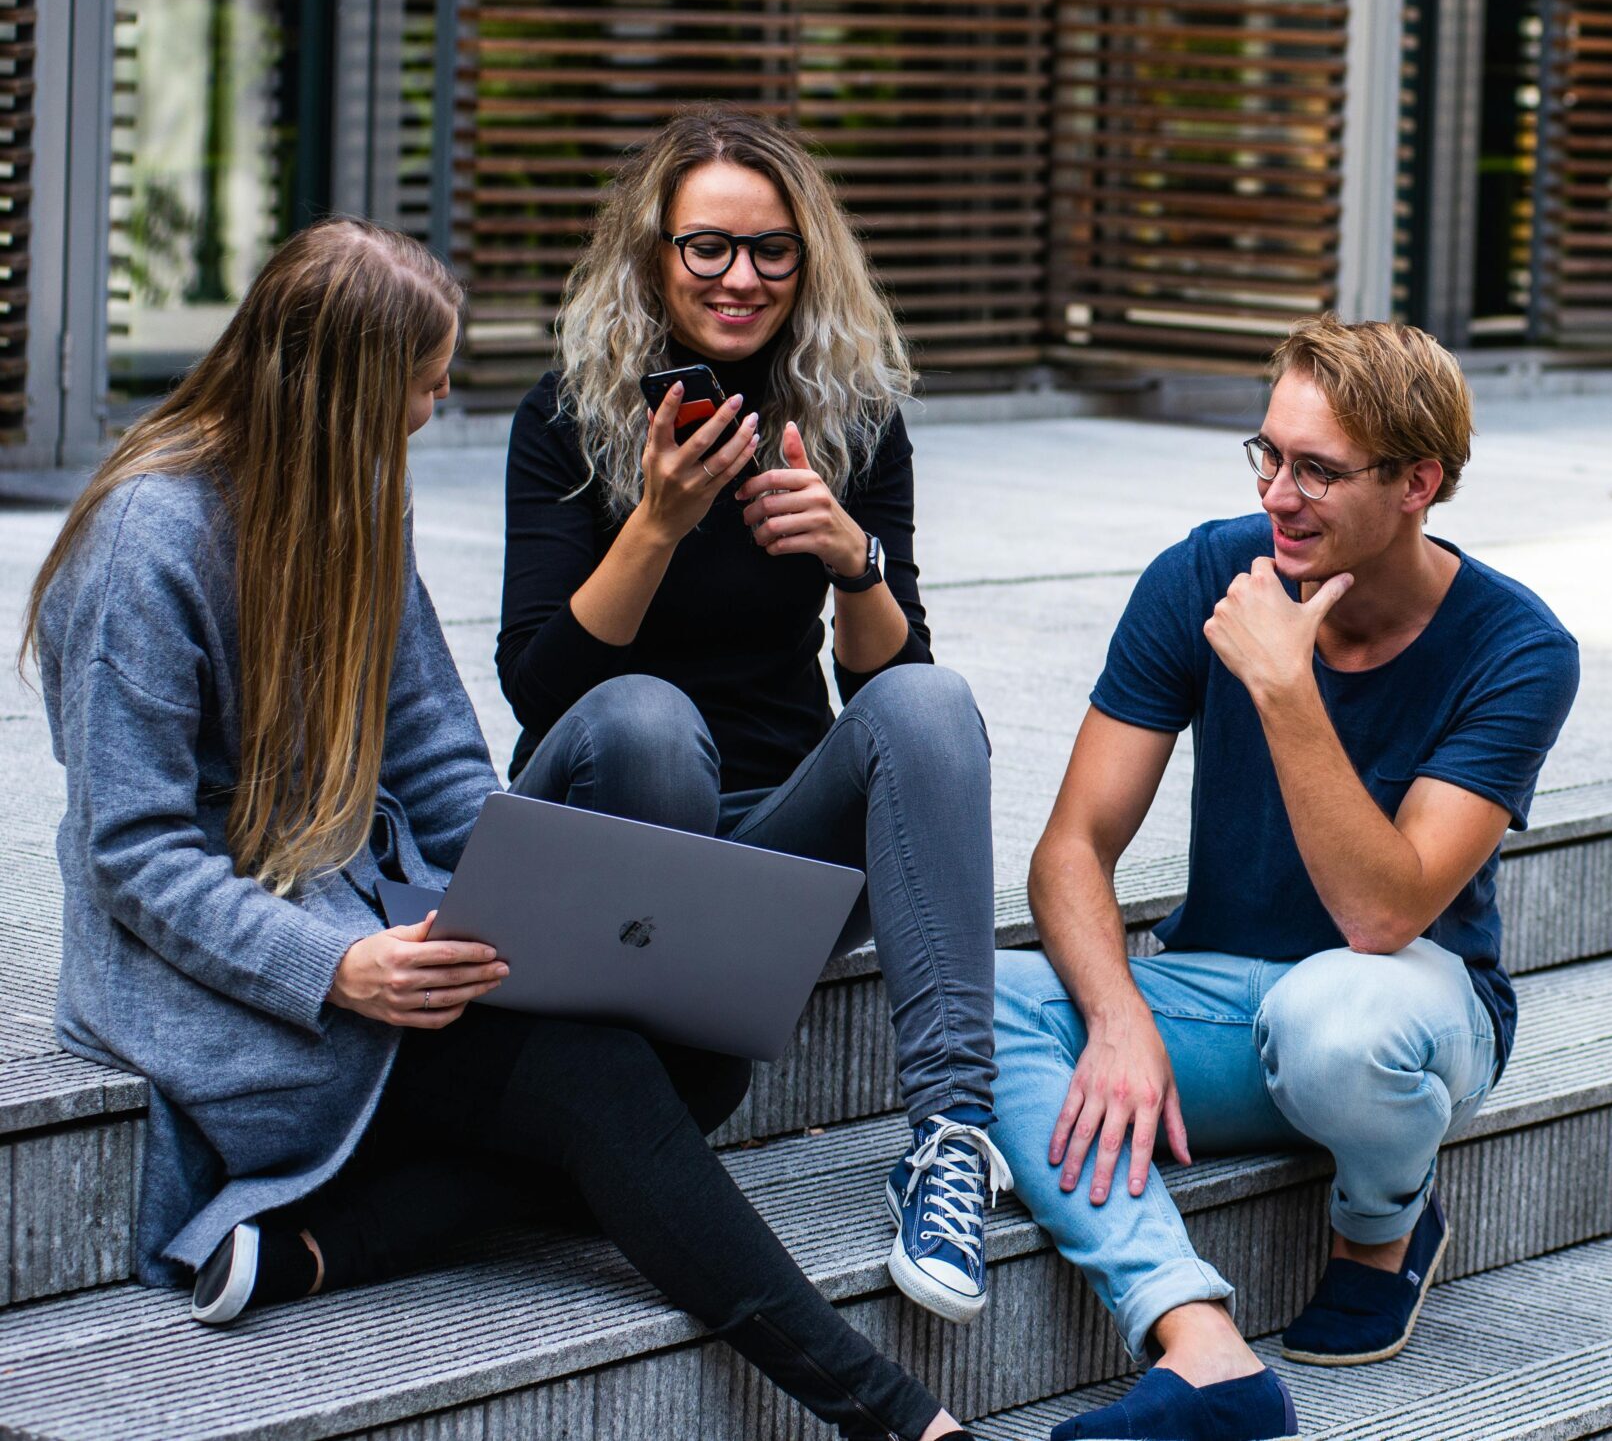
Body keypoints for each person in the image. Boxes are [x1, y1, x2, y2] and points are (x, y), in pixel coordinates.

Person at [25, 218, 978, 1441]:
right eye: (420, 388)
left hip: (379, 927)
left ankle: (325, 1242)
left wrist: (512, 902)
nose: (429, 414)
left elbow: (434, 755)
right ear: (342, 386)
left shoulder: (352, 495)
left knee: (700, 1066)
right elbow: (135, 850)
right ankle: (892, 1412)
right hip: (233, 982)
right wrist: (337, 966)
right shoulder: (143, 542)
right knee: (599, 1080)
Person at [990, 317, 1578, 1441]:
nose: (1278, 493)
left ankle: (1382, 1220)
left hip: (1405, 1009)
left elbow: (1383, 910)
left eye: (1316, 469)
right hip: (1218, 994)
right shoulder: (1203, 572)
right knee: (977, 994)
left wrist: (1285, 686)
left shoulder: (1518, 647)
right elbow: (1071, 845)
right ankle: (1196, 1341)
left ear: (1418, 481)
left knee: (1336, 1014)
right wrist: (1115, 1016)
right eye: (1266, 454)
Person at [497, 104, 1011, 1331]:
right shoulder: (567, 417)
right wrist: (658, 520)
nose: (741, 278)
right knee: (647, 720)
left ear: (808, 256)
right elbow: (538, 687)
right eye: (707, 248)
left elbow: (895, 693)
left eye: (771, 249)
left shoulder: (852, 415)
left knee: (931, 703)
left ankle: (949, 1137)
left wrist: (854, 560)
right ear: (652, 253)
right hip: (609, 825)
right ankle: (636, 1091)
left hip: (771, 854)